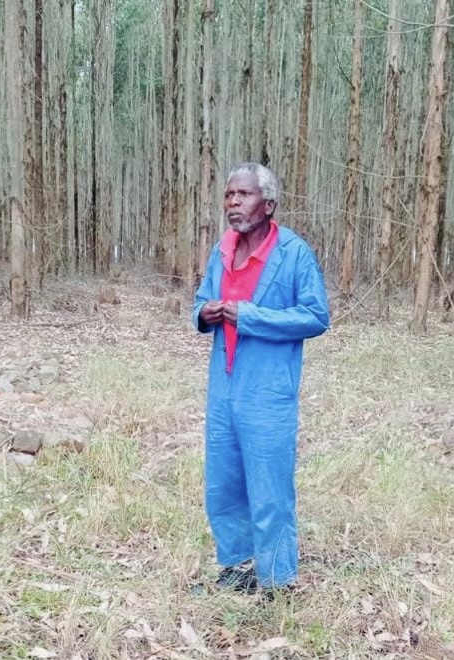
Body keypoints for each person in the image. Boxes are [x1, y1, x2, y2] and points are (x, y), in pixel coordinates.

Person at [191, 162, 329, 596]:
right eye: (230, 195)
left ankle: (276, 582)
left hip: (268, 392)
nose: (233, 202)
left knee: (269, 489)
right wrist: (204, 312)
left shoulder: (293, 253)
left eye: (244, 195)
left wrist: (248, 315)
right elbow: (199, 299)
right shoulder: (222, 249)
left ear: (268, 204)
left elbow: (315, 316)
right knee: (224, 483)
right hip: (224, 386)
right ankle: (235, 569)